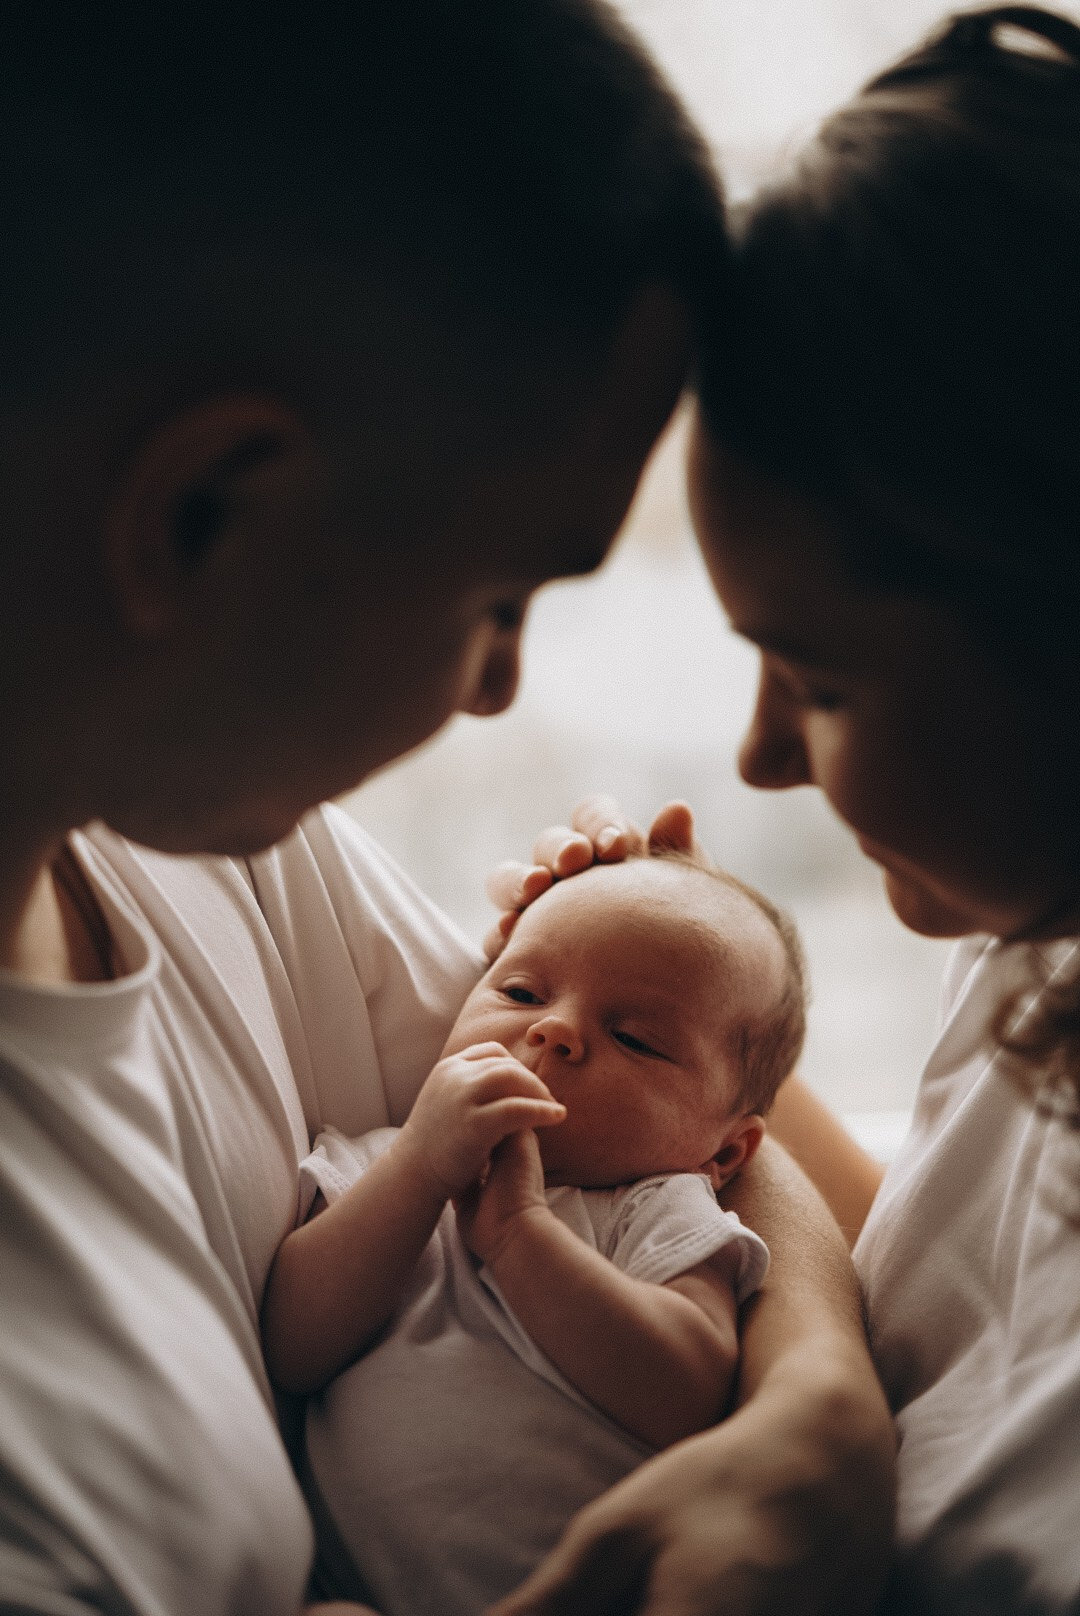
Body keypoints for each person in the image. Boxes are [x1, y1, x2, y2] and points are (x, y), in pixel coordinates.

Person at [0, 3, 895, 1615]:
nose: (492, 692)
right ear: (204, 515)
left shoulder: (197, 830)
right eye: (498, 599)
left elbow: (734, 1140)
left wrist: (821, 1403)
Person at [483, 7, 1080, 1615]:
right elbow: (950, 1326)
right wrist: (682, 1052)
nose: (760, 759)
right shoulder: (1034, 958)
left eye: (816, 681)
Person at [260, 851, 805, 1616]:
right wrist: (420, 1167)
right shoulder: (386, 1164)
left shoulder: (657, 1207)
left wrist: (522, 1238)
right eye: (520, 992)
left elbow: (685, 1394)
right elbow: (292, 1345)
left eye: (636, 1038)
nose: (555, 1029)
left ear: (725, 1152)